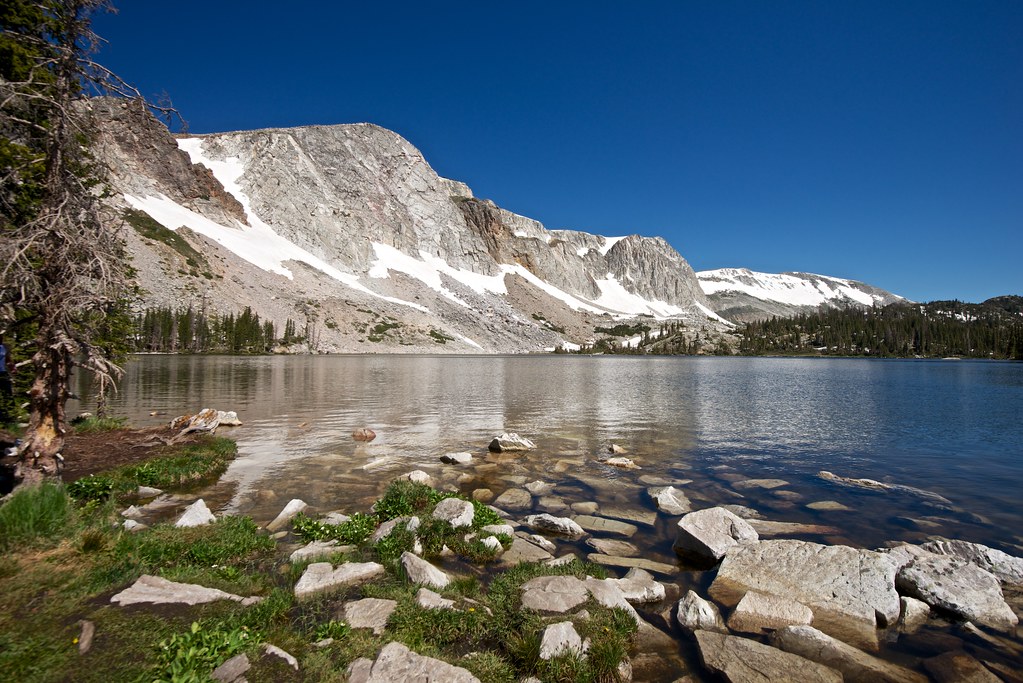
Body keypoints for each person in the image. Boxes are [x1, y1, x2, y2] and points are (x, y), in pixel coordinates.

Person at [0, 332, 14, 424]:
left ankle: (9, 416)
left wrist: (12, 366)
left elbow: (8, 359)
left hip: (3, 372)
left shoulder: (4, 347)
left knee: (8, 394)